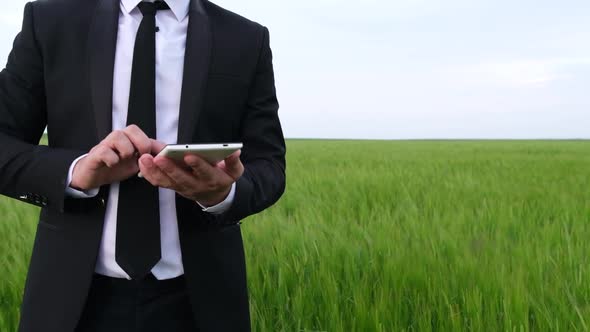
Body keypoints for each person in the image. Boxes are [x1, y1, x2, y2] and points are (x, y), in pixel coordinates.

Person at [0, 0, 286, 330]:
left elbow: (269, 164)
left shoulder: (245, 38)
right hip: (70, 301)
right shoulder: (50, 21)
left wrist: (223, 193)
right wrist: (76, 171)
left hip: (202, 304)